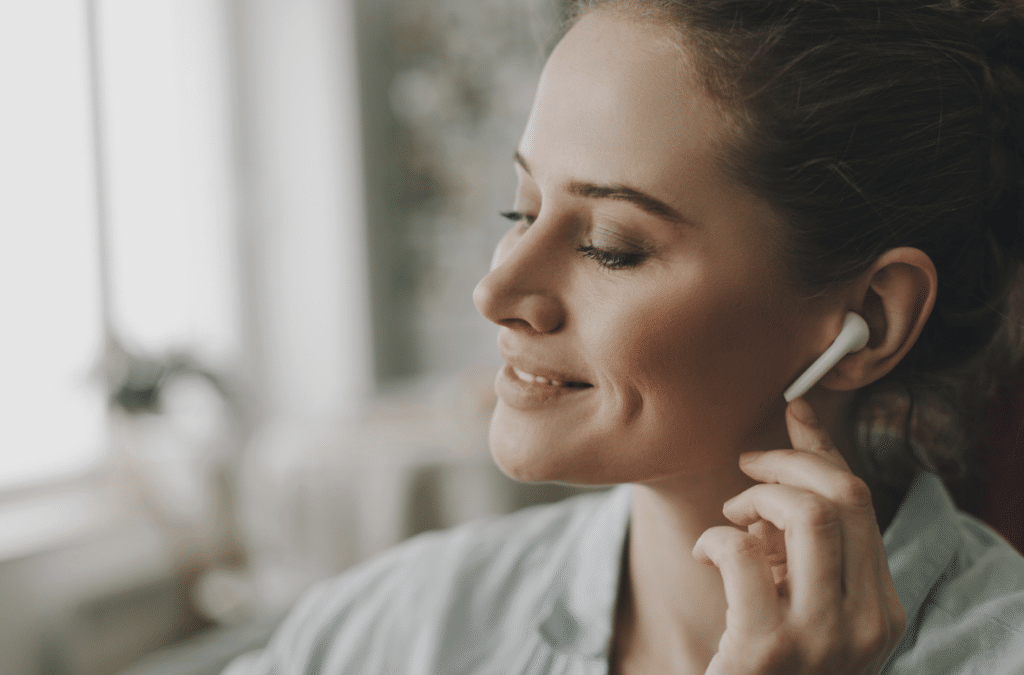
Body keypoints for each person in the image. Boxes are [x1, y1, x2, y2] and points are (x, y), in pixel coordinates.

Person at [224, 0, 1024, 673]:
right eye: (523, 211)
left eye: (612, 245)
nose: (495, 290)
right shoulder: (395, 632)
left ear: (872, 320)